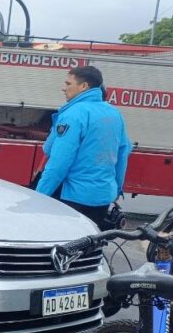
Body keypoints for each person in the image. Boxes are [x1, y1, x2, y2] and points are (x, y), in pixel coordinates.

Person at [36, 65, 133, 226]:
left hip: (73, 199)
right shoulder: (114, 113)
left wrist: (39, 196)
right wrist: (116, 189)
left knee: (63, 246)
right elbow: (123, 153)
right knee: (90, 245)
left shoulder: (74, 114)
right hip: (102, 197)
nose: (63, 88)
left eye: (68, 84)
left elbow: (59, 163)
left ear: (84, 86)